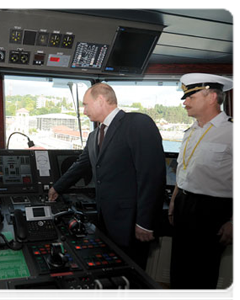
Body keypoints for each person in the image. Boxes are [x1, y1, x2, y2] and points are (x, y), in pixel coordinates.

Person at [48, 83, 166, 269]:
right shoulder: (94, 135)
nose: (84, 111)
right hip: (105, 220)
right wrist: (57, 187)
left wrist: (145, 222)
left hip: (131, 221)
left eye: (86, 105)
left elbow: (152, 176)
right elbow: (81, 164)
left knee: (133, 275)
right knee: (111, 270)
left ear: (101, 100)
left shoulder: (137, 123)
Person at [168, 73, 237, 300]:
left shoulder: (234, 132)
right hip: (184, 204)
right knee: (178, 268)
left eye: (190, 96)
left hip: (214, 210)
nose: (184, 102)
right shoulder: (191, 132)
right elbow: (183, 171)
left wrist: (234, 222)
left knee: (203, 273)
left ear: (211, 97)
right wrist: (174, 202)